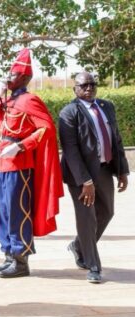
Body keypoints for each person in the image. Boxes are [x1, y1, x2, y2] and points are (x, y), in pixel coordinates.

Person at [0, 49, 63, 279]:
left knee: (17, 213)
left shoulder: (30, 100)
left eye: (13, 74)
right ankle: (8, 256)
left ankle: (21, 260)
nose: (8, 77)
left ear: (24, 78)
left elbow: (46, 129)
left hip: (19, 165)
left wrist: (22, 146)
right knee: (2, 213)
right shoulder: (5, 100)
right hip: (0, 164)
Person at [58, 71, 129, 283]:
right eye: (84, 85)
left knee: (107, 212)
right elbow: (70, 150)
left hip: (105, 169)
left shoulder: (107, 107)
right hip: (80, 175)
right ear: (75, 89)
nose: (89, 88)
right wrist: (85, 181)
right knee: (87, 218)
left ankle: (79, 246)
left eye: (92, 84)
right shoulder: (69, 112)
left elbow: (116, 139)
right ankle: (93, 265)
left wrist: (122, 170)